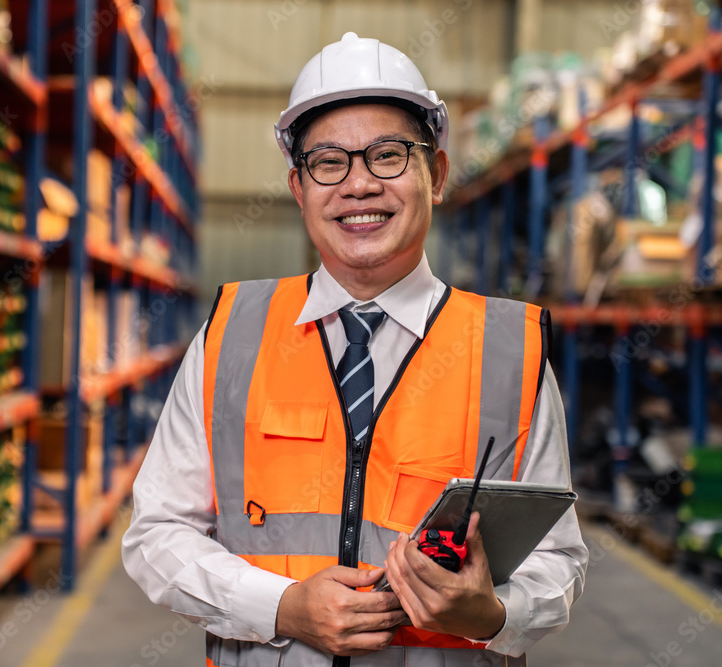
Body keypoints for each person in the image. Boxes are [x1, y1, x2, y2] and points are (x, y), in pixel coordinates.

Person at [123, 32, 587, 666]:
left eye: (388, 156)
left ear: (439, 174)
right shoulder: (232, 332)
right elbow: (157, 533)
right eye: (329, 162)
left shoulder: (509, 351)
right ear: (298, 186)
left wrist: (492, 614)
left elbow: (557, 560)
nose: (359, 185)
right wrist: (281, 607)